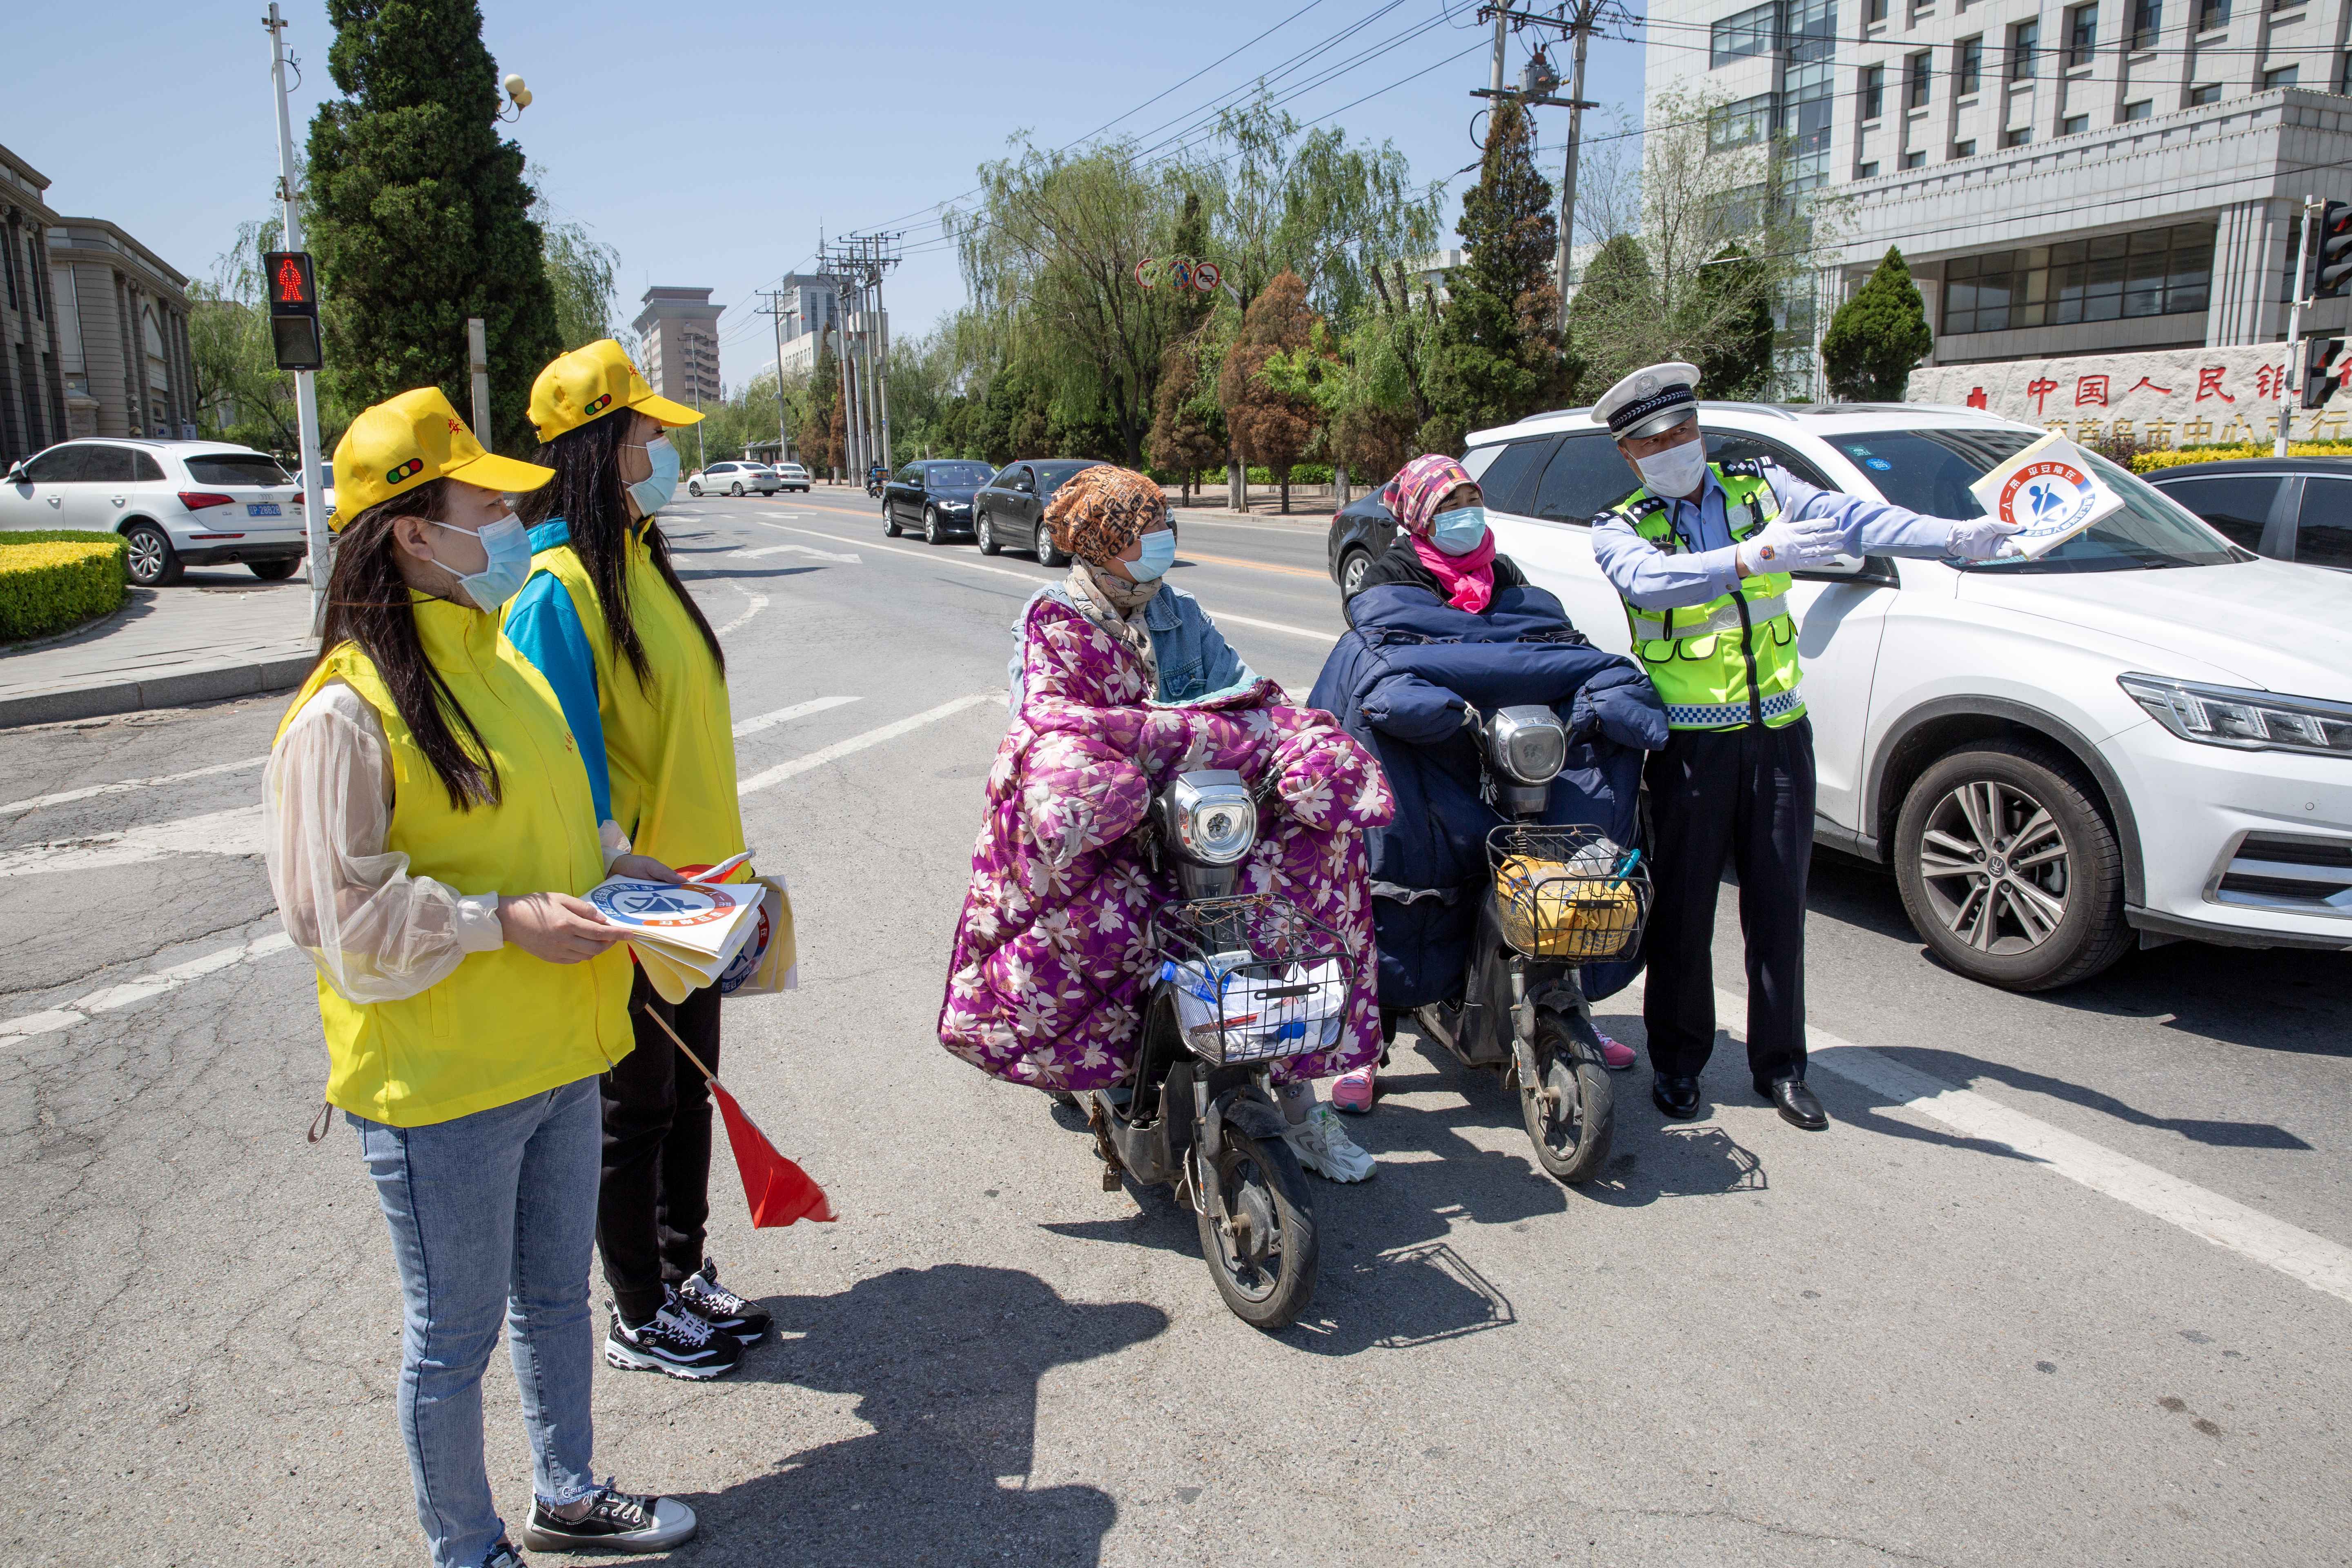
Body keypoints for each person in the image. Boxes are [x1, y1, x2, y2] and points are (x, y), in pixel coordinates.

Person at [264, 388, 697, 1567]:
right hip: (442, 1084)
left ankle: (567, 1492)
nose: (511, 520)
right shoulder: (344, 712)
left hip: (558, 1049)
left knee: (554, 1302)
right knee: (451, 1338)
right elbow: (336, 917)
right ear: (412, 527)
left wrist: (622, 867)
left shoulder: (491, 652)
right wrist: (501, 924)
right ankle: (466, 1546)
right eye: (485, 502)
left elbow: (546, 811)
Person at [1588, 363, 2023, 1130]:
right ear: (1630, 455)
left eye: (1685, 430)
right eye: (1655, 441)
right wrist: (1749, 558)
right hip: (1692, 752)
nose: (1675, 446)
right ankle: (1681, 1066)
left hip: (1780, 737)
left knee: (1780, 910)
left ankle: (1781, 1068)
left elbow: (1856, 520)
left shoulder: (1760, 487)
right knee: (1684, 917)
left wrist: (1953, 538)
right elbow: (1650, 584)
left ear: (1702, 428)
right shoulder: (1621, 524)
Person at [940, 464, 1394, 1182]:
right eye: (1147, 530)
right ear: (1102, 540)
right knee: (1093, 932)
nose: (1163, 540)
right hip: (1121, 823)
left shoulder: (1180, 610)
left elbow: (1243, 696)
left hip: (1204, 813)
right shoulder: (1054, 622)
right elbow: (1047, 729)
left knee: (1279, 925)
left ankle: (1305, 1111)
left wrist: (1278, 748)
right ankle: (1113, 1073)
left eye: (1164, 525)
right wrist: (1119, 764)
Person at [505, 340, 770, 1382]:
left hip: (698, 889)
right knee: (637, 1107)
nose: (665, 448)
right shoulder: (556, 589)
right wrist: (622, 867)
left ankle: (682, 1266)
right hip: (634, 902)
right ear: (602, 446)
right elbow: (559, 761)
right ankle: (638, 1311)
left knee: (691, 1090)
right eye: (650, 433)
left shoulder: (642, 555)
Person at [1311, 454, 1666, 1114]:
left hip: (1516, 754)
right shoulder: (1392, 575)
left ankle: (1570, 1006)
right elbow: (1381, 662)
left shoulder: (1506, 575)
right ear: (1417, 517)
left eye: (1469, 501)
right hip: (1441, 755)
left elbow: (1545, 651)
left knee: (1566, 857)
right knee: (1392, 874)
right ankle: (1366, 1049)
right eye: (1447, 507)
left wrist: (1587, 704)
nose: (1462, 516)